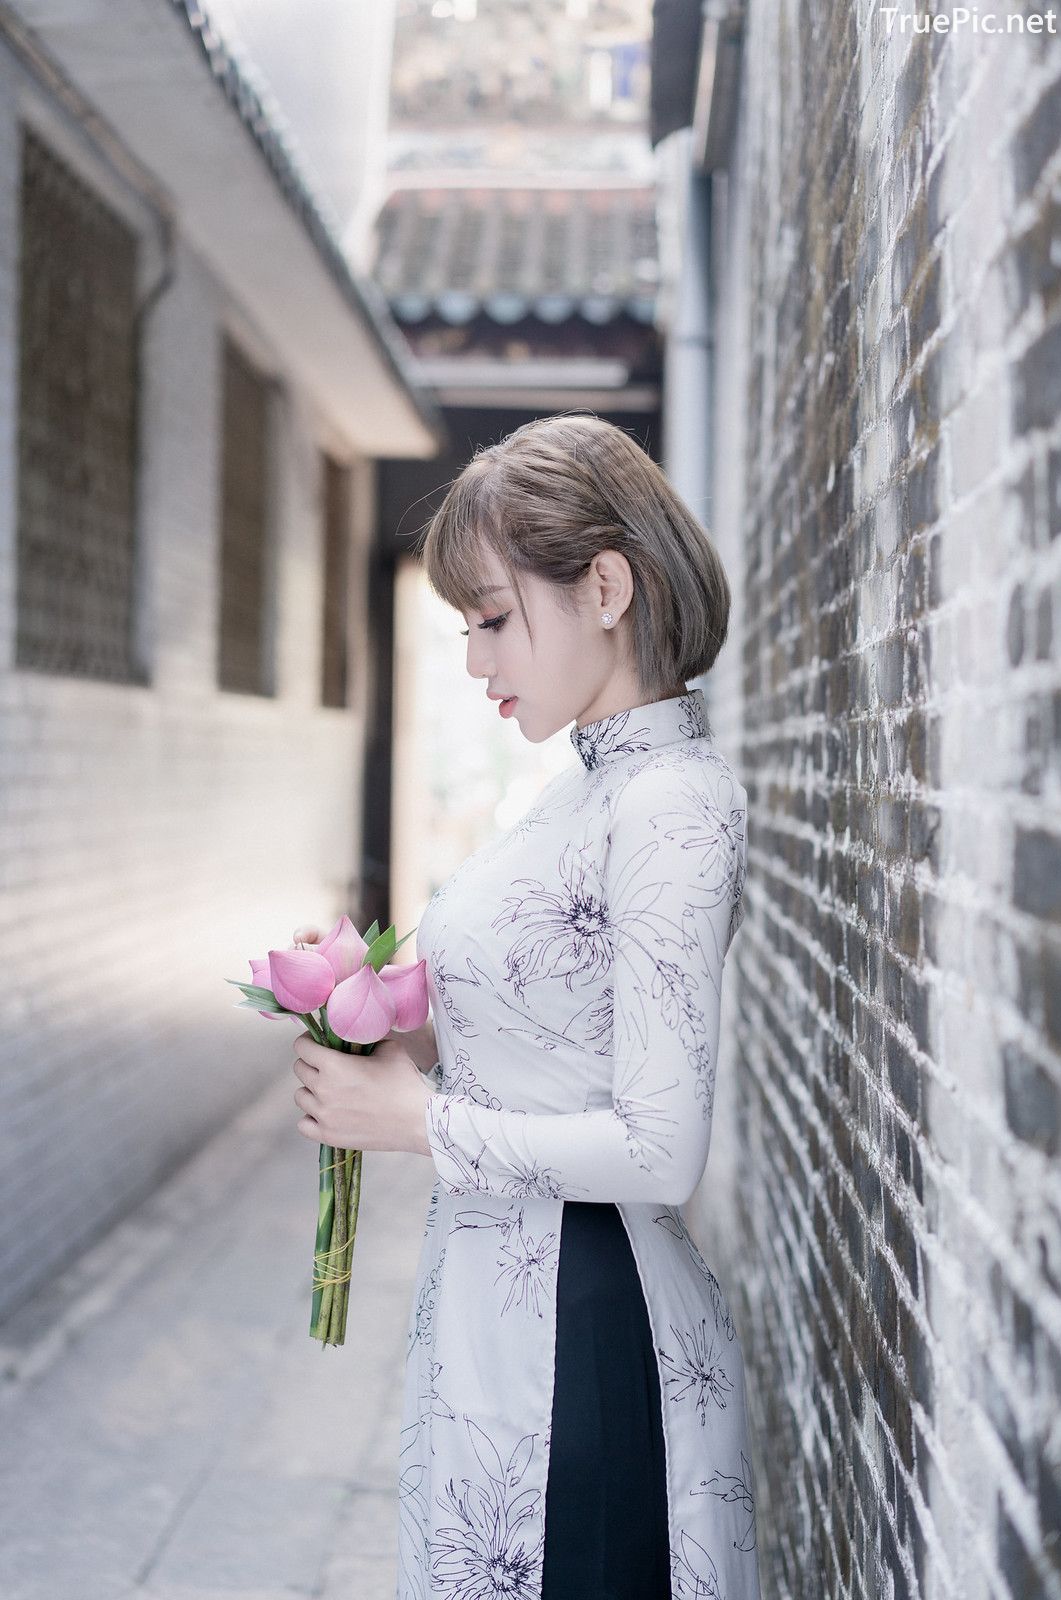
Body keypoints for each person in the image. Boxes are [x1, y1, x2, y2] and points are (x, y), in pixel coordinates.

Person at [289, 412, 763, 1600]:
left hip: (586, 1327)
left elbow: (660, 1150)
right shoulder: (582, 794)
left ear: (604, 584)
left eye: (493, 618)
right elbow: (549, 1021)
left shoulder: (671, 805)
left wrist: (413, 1118)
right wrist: (388, 1018)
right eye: (464, 626)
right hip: (507, 1317)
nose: (472, 660)